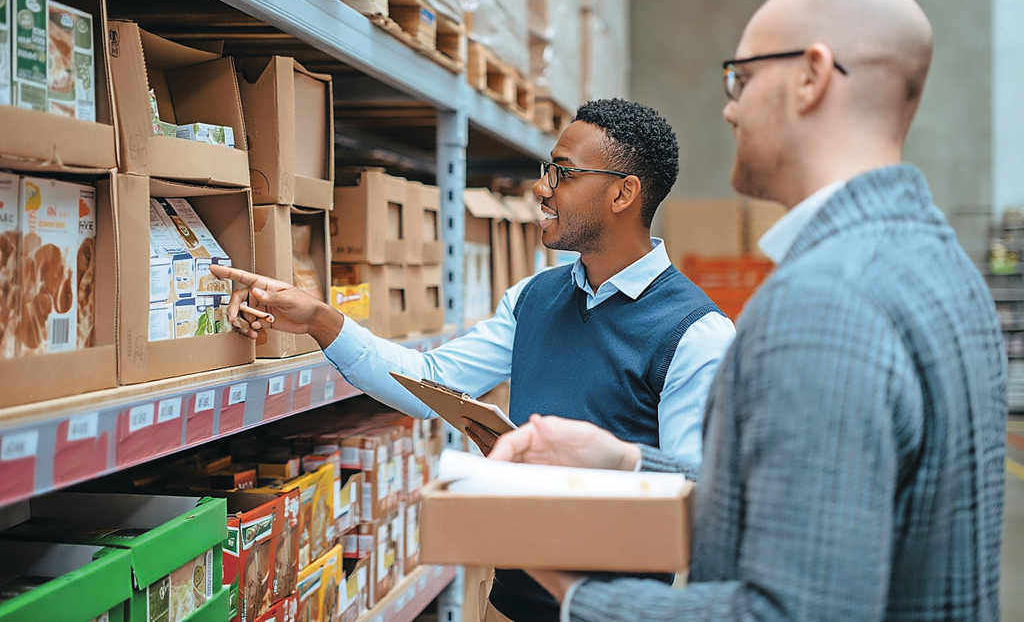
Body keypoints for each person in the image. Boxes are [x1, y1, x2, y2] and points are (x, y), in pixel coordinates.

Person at [488, 0, 1008, 621]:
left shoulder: (824, 299)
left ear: (811, 75)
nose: (729, 107)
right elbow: (820, 509)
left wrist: (576, 589)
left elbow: (792, 610)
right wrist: (624, 459)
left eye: (742, 77)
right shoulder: (939, 261)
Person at [211, 97, 736, 621]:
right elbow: (430, 380)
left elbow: (693, 497)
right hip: (506, 602)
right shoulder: (533, 300)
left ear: (623, 192)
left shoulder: (694, 334)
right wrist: (318, 321)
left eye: (563, 173)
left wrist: (555, 474)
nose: (542, 187)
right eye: (545, 169)